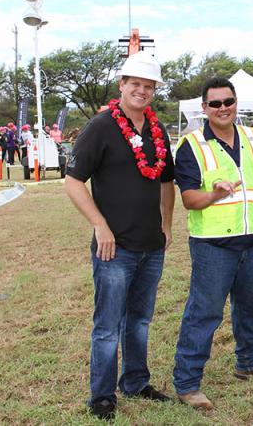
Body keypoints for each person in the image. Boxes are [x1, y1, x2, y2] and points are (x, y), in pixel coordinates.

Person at [64, 51, 175, 421]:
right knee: (108, 326)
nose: (141, 91)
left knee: (140, 320)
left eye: (148, 86)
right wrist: (99, 224)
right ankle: (102, 395)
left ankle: (136, 381)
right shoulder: (101, 127)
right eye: (135, 84)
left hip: (151, 245)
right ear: (122, 86)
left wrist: (167, 223)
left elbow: (166, 181)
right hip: (115, 247)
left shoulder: (158, 131)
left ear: (154, 91)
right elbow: (73, 181)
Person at [173, 76, 253, 411]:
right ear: (204, 108)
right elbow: (189, 199)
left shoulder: (252, 138)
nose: (224, 109)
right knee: (204, 313)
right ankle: (187, 383)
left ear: (236, 103)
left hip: (251, 241)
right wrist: (214, 194)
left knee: (251, 305)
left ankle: (251, 362)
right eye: (216, 104)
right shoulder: (191, 146)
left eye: (229, 102)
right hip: (213, 245)